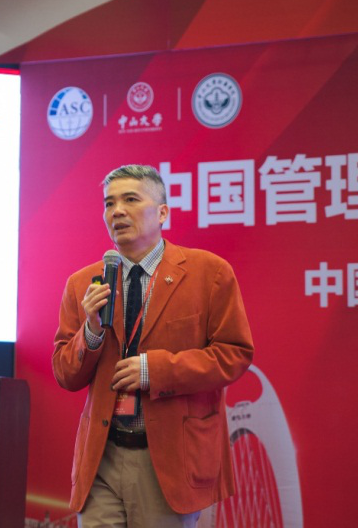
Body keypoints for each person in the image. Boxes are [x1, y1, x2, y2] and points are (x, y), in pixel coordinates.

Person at [53, 165, 254, 528]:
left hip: (168, 458)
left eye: (131, 199)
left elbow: (233, 355)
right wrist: (92, 330)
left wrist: (154, 370)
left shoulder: (209, 273)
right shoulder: (84, 283)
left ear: (162, 212)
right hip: (101, 456)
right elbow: (65, 373)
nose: (117, 211)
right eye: (109, 203)